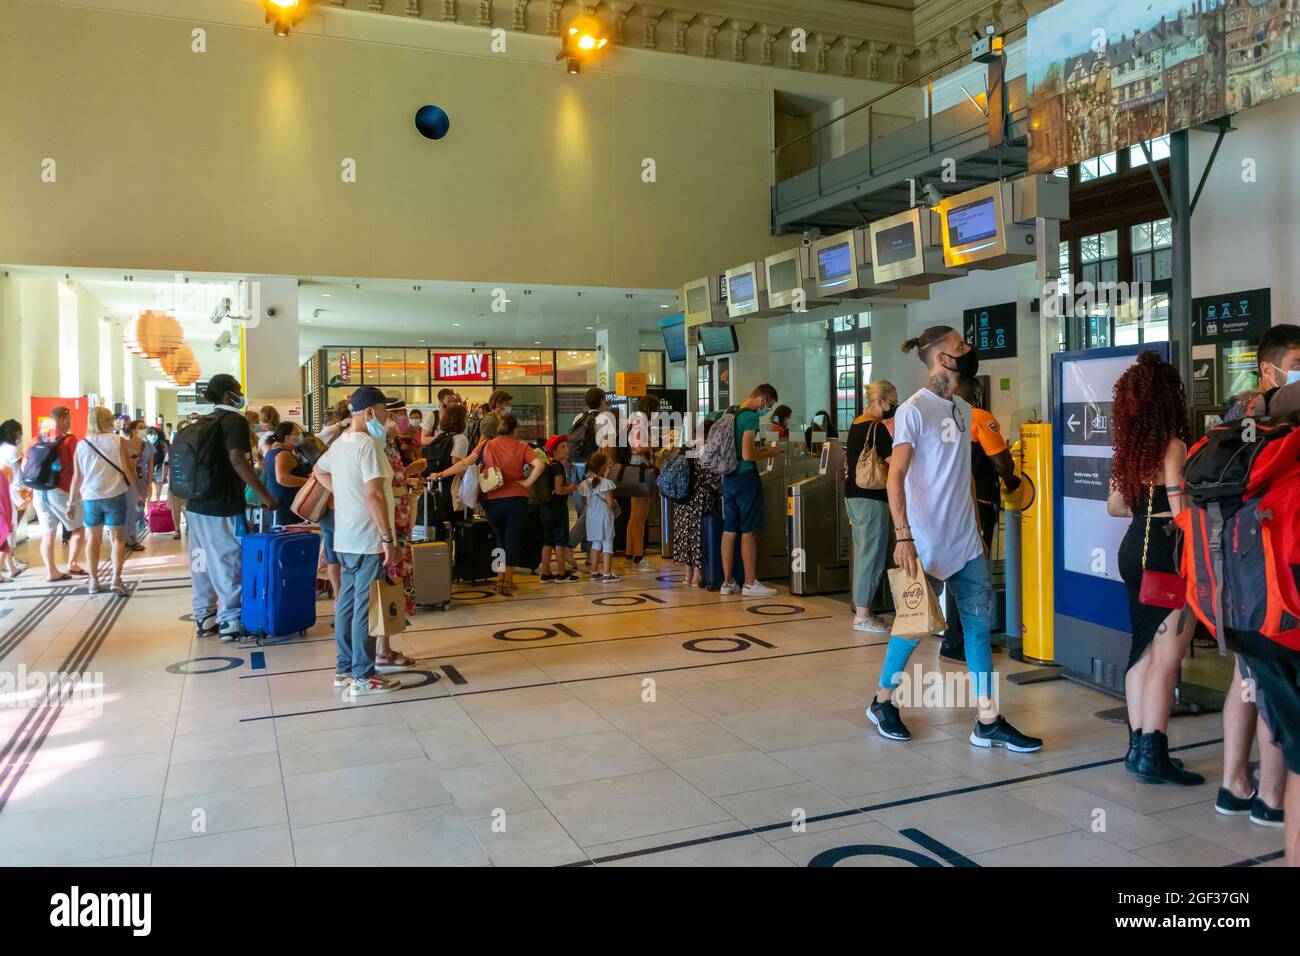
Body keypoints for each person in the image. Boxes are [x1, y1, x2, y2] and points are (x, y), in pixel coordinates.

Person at [870, 325, 1042, 752]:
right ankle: (883, 701)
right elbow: (896, 477)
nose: (968, 351)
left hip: (965, 543)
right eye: (960, 347)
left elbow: (960, 473)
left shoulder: (963, 410)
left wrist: (977, 533)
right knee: (910, 629)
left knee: (978, 630)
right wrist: (903, 536)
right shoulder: (913, 410)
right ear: (942, 360)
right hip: (924, 543)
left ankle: (988, 718)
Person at [1107, 351, 1204, 785]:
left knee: (1141, 651)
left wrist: (1145, 502)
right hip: (1165, 552)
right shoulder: (1173, 445)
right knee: (1166, 656)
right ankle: (1156, 753)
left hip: (1133, 547)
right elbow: (1181, 509)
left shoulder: (1128, 448)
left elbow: (1114, 506)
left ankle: (1138, 748)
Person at [313, 386, 401, 696]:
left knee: (347, 604)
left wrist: (342, 492)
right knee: (364, 606)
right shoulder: (368, 446)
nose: (387, 418)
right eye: (384, 412)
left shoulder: (339, 445)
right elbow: (374, 495)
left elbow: (316, 471)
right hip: (367, 539)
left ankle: (344, 669)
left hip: (345, 537)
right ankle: (364, 675)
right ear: (368, 413)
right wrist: (388, 538)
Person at [186, 374, 277, 642]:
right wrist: (264, 495)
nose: (240, 394)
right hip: (222, 504)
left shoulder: (204, 421)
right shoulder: (233, 420)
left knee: (200, 559)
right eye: (238, 390)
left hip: (195, 505)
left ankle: (204, 615)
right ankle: (230, 619)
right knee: (227, 558)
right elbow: (237, 457)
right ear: (228, 395)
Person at [938, 379, 1021, 663]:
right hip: (979, 504)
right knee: (974, 574)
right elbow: (1002, 463)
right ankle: (963, 640)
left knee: (955, 570)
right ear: (976, 394)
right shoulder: (980, 418)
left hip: (946, 505)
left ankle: (952, 639)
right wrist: (1013, 482)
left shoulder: (940, 419)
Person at [432, 413, 541, 595]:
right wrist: (527, 483)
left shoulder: (486, 445)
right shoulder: (522, 446)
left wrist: (441, 474)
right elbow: (540, 465)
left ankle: (499, 577)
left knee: (499, 538)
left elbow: (465, 463)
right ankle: (508, 579)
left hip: (491, 500)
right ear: (514, 430)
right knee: (512, 539)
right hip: (516, 499)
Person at [844, 380, 897, 633]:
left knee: (865, 552)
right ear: (880, 401)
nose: (894, 406)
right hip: (872, 498)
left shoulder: (856, 424)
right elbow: (895, 464)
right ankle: (863, 614)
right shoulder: (878, 429)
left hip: (853, 496)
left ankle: (863, 609)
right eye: (892, 401)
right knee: (871, 556)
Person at [69, 406, 139, 596]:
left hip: (90, 498)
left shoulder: (82, 444)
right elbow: (127, 469)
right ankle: (116, 579)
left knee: (93, 539)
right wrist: (139, 492)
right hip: (115, 495)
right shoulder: (117, 441)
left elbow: (77, 476)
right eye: (110, 418)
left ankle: (94, 581)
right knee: (118, 539)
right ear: (106, 420)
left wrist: (70, 502)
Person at [719, 383, 781, 598]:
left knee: (729, 531)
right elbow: (747, 454)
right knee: (748, 532)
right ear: (763, 399)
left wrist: (758, 450)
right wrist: (769, 452)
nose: (768, 410)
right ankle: (749, 583)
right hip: (746, 478)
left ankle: (727, 582)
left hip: (728, 477)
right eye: (769, 406)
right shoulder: (751, 417)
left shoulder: (732, 411)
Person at [27, 406, 88, 582]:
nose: (70, 423)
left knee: (47, 533)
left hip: (40, 492)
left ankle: (51, 571)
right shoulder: (69, 440)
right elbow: (79, 468)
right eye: (68, 420)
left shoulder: (36, 439)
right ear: (63, 419)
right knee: (78, 528)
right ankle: (72, 563)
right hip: (61, 490)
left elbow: (26, 467)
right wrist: (77, 495)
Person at [380, 397, 424, 631]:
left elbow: (394, 477)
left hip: (400, 514)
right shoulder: (379, 444)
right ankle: (389, 619)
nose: (405, 418)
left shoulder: (392, 443)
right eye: (401, 413)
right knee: (392, 569)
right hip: (391, 517)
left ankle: (394, 616)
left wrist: (408, 473)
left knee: (401, 565)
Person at [671, 418, 722, 588]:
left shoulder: (686, 446)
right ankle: (698, 575)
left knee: (685, 534)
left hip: (682, 499)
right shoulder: (707, 449)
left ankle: (687, 574)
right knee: (699, 534)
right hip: (700, 498)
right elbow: (712, 478)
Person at [297, 434, 341, 598]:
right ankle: (345, 599)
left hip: (325, 513)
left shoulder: (312, 468)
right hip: (339, 512)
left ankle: (338, 597)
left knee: (332, 557)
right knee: (346, 558)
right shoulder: (331, 462)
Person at [624, 394, 658, 571]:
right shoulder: (641, 420)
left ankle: (630, 553)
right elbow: (638, 447)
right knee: (640, 517)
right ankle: (639, 557)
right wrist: (655, 444)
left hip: (633, 471)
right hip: (641, 471)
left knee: (634, 516)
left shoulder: (634, 419)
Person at [538, 435, 578, 582]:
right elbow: (559, 490)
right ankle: (562, 573)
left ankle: (546, 573)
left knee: (547, 541)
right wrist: (571, 488)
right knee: (560, 541)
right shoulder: (558, 467)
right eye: (563, 447)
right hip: (557, 509)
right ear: (553, 451)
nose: (567, 449)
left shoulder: (547, 465)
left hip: (545, 508)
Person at [578, 451, 619, 582]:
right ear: (603, 467)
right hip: (604, 517)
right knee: (607, 545)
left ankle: (594, 572)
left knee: (595, 544)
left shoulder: (584, 484)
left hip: (591, 517)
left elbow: (584, 502)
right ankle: (607, 574)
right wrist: (615, 503)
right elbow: (610, 503)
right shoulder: (607, 483)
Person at [263, 421, 310, 527]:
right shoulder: (283, 454)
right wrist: (309, 482)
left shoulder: (273, 451)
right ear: (287, 438)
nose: (300, 436)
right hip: (286, 507)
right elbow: (283, 479)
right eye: (297, 433)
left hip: (283, 504)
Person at [0, 419, 31, 578]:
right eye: (20, 431)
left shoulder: (1, 448)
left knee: (7, 527)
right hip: (15, 492)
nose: (21, 435)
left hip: (6, 491)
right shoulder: (12, 450)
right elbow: (25, 469)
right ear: (14, 433)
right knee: (10, 528)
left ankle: (10, 564)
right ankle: (5, 564)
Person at [146, 424, 169, 502]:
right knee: (149, 487)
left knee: (158, 484)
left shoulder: (162, 444)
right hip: (147, 468)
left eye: (155, 434)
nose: (153, 436)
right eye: (150, 434)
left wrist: (166, 473)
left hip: (159, 467)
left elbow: (166, 458)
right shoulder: (144, 443)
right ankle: (149, 507)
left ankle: (157, 501)